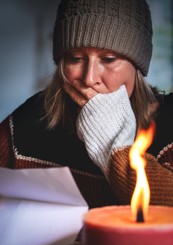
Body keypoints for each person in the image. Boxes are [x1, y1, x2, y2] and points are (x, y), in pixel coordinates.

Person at [0, 0, 173, 209]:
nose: (89, 78)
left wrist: (113, 147)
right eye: (75, 58)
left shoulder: (169, 122)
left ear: (137, 66)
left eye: (108, 59)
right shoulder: (29, 121)